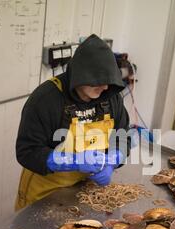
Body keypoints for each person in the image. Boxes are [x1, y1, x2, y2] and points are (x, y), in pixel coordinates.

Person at [15, 34, 130, 211]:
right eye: (98, 82)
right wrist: (72, 161)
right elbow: (27, 152)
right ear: (81, 76)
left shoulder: (111, 97)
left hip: (83, 192)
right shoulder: (45, 100)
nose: (105, 88)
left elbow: (123, 136)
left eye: (108, 82)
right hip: (44, 193)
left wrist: (112, 161)